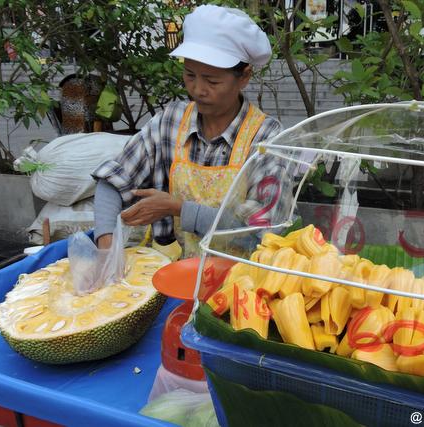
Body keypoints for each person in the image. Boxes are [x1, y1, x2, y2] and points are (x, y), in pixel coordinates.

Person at [92, 5, 283, 257]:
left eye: (212, 81)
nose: (198, 89)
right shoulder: (170, 122)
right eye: (190, 75)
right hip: (171, 275)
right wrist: (106, 248)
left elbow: (259, 233)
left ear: (244, 76)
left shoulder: (266, 137)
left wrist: (180, 209)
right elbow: (113, 181)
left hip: (238, 282)